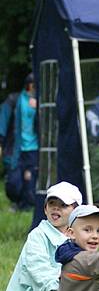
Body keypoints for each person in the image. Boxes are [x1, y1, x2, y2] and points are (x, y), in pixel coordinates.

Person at [0, 73, 38, 210]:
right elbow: (3, 122)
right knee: (14, 182)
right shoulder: (14, 100)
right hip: (14, 147)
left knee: (30, 178)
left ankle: (26, 205)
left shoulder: (41, 100)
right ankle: (16, 201)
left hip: (33, 147)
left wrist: (39, 108)